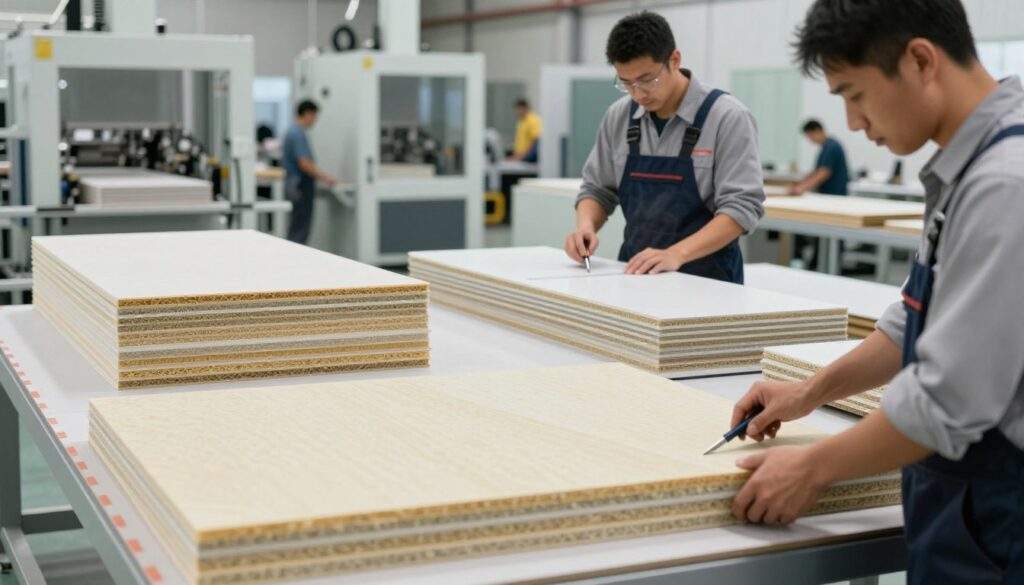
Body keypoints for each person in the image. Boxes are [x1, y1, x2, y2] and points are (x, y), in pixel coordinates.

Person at [728, 1, 1024, 583]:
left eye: (854, 94)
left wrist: (813, 467)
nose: (854, 123)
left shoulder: (1004, 187)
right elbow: (913, 315)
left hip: (1000, 514)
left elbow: (948, 400)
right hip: (964, 499)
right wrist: (808, 393)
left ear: (919, 60)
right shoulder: (968, 167)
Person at [565, 12, 764, 282]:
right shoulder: (619, 116)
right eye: (626, 83)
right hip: (637, 274)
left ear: (674, 60)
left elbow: (741, 208)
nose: (638, 93)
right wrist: (586, 227)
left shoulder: (727, 117)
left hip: (709, 282)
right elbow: (597, 189)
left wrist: (677, 253)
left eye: (647, 80)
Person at [283, 100, 336, 244]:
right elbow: (304, 163)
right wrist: (326, 177)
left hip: (295, 185)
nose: (315, 120)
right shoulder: (297, 134)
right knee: (300, 228)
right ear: (307, 113)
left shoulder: (292, 132)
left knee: (297, 226)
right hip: (300, 186)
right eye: (314, 115)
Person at [790, 119, 849, 195]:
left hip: (833, 193)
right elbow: (817, 170)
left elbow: (823, 173)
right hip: (828, 192)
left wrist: (801, 187)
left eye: (809, 136)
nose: (810, 140)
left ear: (817, 131)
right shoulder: (826, 147)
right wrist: (802, 181)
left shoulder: (831, 147)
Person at [509, 98, 542, 162]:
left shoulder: (533, 120)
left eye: (518, 109)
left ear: (524, 108)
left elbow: (536, 141)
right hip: (520, 157)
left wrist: (525, 156)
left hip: (526, 158)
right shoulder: (522, 121)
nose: (516, 112)